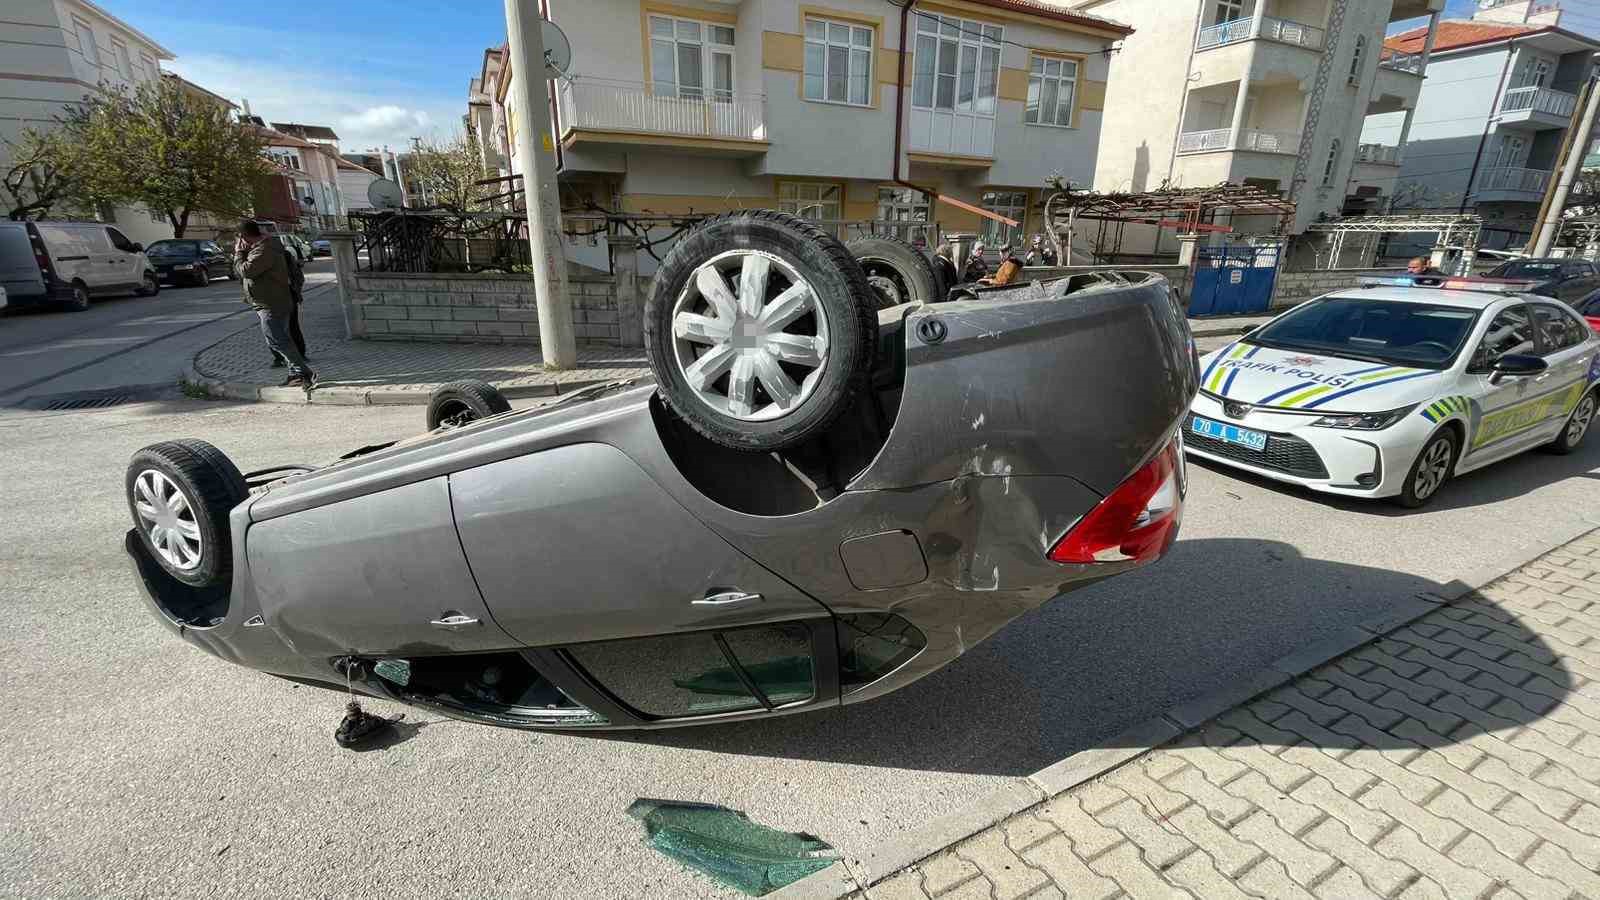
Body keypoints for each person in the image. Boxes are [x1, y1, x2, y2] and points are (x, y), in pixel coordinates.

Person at [235, 221, 314, 387]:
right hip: (271, 301)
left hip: (272, 303)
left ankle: (305, 372)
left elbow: (246, 271)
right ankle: (295, 374)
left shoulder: (264, 249)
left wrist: (239, 253)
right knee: (282, 338)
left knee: (276, 340)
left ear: (244, 237)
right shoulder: (264, 247)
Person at [271, 236, 309, 368]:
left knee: (291, 326)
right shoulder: (262, 256)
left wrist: (294, 289)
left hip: (287, 295)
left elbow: (298, 276)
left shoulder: (285, 256)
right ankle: (280, 358)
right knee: (275, 329)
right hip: (272, 297)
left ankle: (299, 354)